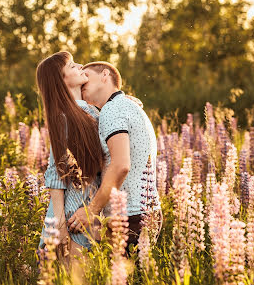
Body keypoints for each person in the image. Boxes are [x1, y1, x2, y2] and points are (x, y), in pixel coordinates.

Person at [67, 61, 162, 252]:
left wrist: (90, 210)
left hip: (130, 218)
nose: (83, 80)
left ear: (105, 75)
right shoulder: (125, 106)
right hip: (145, 212)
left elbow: (120, 165)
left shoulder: (113, 109)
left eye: (87, 77)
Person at [36, 51, 105, 263]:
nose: (80, 66)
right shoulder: (64, 118)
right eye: (73, 66)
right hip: (71, 219)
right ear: (61, 80)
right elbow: (57, 173)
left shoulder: (90, 111)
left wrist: (124, 102)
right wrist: (60, 224)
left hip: (86, 214)